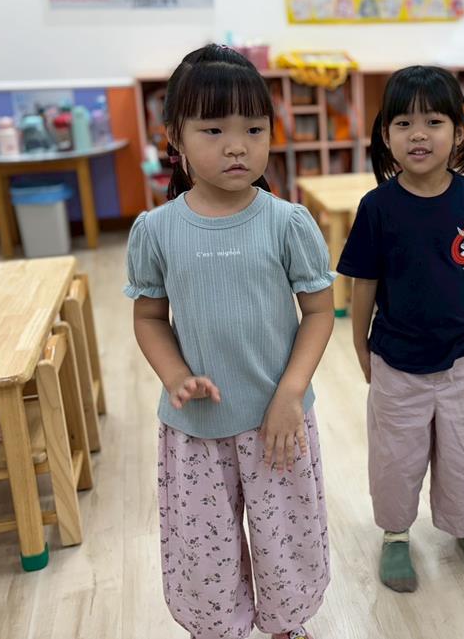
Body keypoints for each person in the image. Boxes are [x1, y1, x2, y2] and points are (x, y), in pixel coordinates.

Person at [125, 45, 335, 639]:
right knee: (204, 554)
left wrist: (290, 393)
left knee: (286, 541)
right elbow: (149, 318)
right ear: (175, 137)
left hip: (278, 423)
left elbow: (319, 311)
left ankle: (285, 626)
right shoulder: (156, 229)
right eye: (214, 130)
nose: (237, 146)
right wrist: (175, 376)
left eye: (253, 129)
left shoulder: (288, 222)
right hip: (194, 430)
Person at [337, 66, 464, 592]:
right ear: (385, 134)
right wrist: (360, 346)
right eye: (403, 123)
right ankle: (395, 534)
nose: (418, 135)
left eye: (433, 121)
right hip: (397, 360)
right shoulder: (377, 207)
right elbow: (364, 283)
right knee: (396, 458)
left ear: (460, 128)